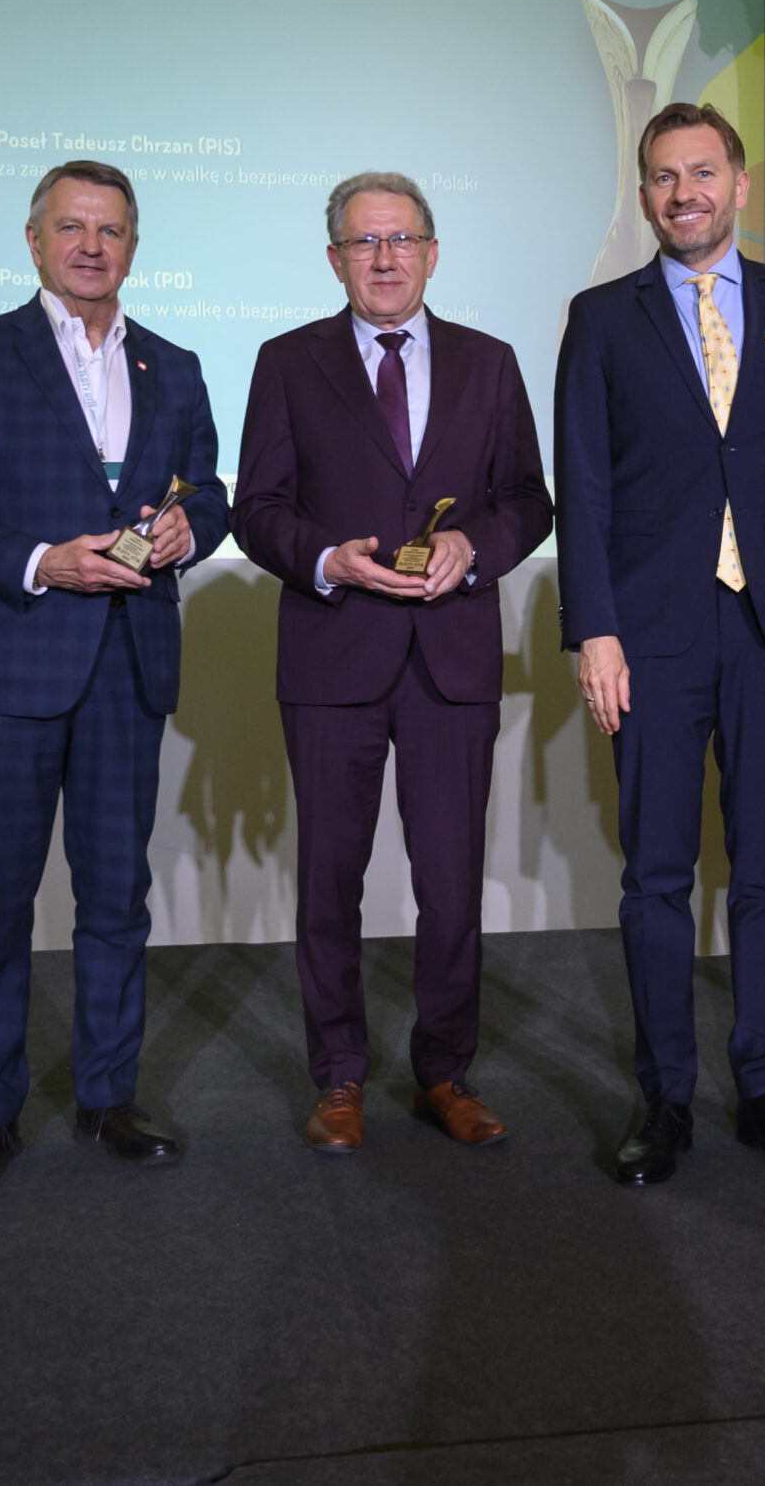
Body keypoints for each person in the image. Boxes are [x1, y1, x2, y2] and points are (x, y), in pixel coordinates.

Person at [555, 101, 765, 1186]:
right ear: (644, 194)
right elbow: (582, 489)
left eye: (700, 172)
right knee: (655, 875)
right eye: (661, 176)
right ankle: (665, 1095)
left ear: (739, 183)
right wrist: (593, 631)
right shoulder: (602, 317)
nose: (682, 193)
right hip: (649, 634)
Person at [0, 160, 228, 1190]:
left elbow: (211, 489)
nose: (92, 245)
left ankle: (107, 1095)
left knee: (117, 897)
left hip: (130, 665)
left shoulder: (174, 365)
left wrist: (189, 530)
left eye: (111, 229)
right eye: (72, 226)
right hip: (11, 666)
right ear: (34, 239)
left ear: (133, 246)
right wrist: (44, 561)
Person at [233, 173, 553, 1154]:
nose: (383, 258)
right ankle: (338, 1075)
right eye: (363, 242)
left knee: (451, 884)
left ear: (432, 252)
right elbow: (257, 509)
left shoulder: (490, 362)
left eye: (401, 239)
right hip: (333, 655)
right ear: (334, 258)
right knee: (329, 878)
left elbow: (528, 500)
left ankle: (445, 1071)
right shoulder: (287, 362)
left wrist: (474, 547)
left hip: (451, 657)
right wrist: (326, 559)